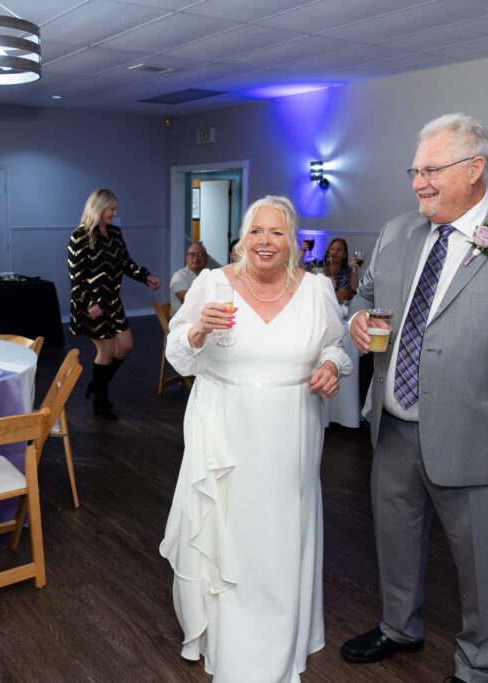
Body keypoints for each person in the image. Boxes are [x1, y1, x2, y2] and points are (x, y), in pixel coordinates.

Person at [341, 113, 488, 683]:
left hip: (482, 440)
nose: (419, 182)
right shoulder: (397, 232)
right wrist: (356, 319)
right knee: (394, 539)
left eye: (431, 170)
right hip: (395, 427)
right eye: (414, 171)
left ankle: (478, 664)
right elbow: (367, 297)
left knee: (484, 563)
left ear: (475, 169)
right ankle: (399, 627)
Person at [160, 195, 352, 682]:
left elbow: (336, 342)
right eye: (256, 231)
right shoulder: (213, 283)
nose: (265, 241)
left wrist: (331, 364)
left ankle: (283, 634)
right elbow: (179, 355)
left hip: (292, 433)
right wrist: (198, 331)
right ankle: (230, 639)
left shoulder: (316, 289)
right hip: (226, 432)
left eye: (277, 232)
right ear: (243, 238)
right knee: (234, 531)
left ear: (293, 242)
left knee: (282, 531)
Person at [67, 188, 160, 420]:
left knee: (125, 345)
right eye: (112, 209)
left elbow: (125, 262)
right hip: (89, 303)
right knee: (106, 350)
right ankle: (100, 402)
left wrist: (144, 276)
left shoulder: (115, 233)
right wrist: (89, 302)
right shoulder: (80, 236)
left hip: (111, 301)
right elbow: (76, 276)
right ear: (99, 209)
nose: (114, 213)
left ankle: (97, 385)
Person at [169, 242, 208, 316]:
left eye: (200, 254)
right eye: (192, 254)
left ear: (207, 258)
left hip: (205, 318)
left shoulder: (210, 275)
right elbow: (192, 303)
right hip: (184, 323)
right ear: (186, 257)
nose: (196, 257)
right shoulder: (179, 276)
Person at [321, 237, 360, 302]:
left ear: (344, 255)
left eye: (339, 250)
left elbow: (345, 294)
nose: (335, 252)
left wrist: (320, 293)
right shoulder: (318, 266)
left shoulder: (346, 272)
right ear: (328, 251)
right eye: (332, 249)